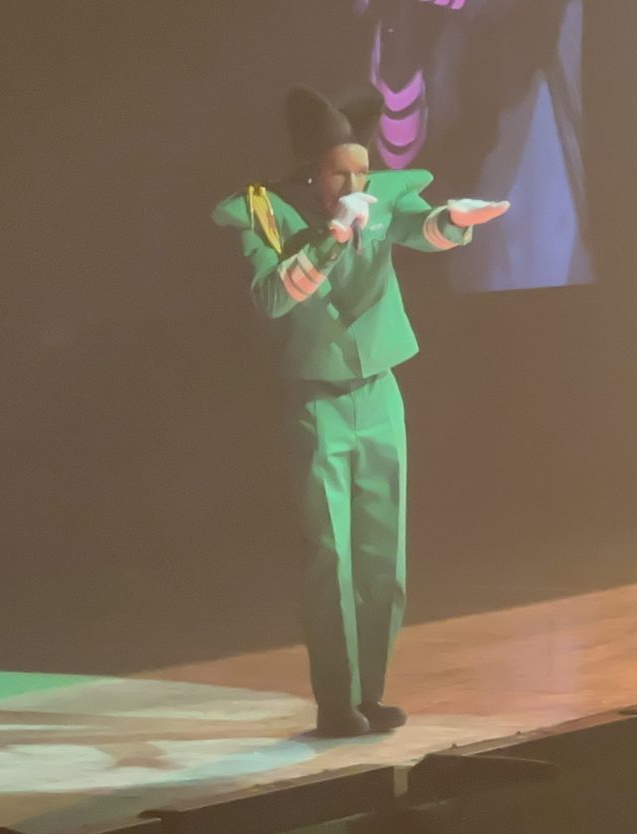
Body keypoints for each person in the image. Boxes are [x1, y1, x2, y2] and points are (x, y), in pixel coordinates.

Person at [212, 83, 509, 737]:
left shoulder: (381, 203)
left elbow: (419, 226)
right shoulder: (263, 215)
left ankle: (370, 693)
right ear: (312, 175)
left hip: (379, 393)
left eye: (362, 172)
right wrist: (331, 240)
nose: (354, 185)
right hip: (317, 402)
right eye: (339, 174)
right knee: (331, 557)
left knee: (382, 555)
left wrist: (454, 220)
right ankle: (336, 701)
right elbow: (272, 296)